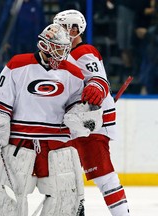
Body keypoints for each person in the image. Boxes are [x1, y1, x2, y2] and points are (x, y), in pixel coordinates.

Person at [0, 23, 104, 215]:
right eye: (58, 48)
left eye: (64, 48)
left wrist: (87, 113)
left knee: (64, 201)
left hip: (57, 144)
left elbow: (76, 109)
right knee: (7, 200)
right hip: (20, 142)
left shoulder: (73, 72)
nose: (62, 53)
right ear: (45, 45)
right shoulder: (17, 65)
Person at [54, 9, 131, 215]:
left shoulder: (83, 51)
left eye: (60, 27)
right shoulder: (64, 56)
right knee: (65, 174)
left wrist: (96, 88)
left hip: (91, 123)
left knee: (103, 176)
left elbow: (99, 80)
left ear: (74, 30)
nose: (55, 31)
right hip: (74, 124)